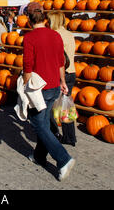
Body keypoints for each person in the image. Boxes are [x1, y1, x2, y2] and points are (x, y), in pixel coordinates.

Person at [23, 2, 75, 181]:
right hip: (54, 86)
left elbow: (27, 67)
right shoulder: (55, 35)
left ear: (29, 19)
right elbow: (61, 62)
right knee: (44, 124)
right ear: (44, 17)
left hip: (39, 88)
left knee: (39, 125)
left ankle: (63, 159)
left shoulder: (29, 38)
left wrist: (25, 88)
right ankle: (38, 156)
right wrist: (62, 82)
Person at [47, 11, 77, 146]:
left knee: (50, 105)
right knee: (65, 106)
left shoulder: (55, 35)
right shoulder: (69, 34)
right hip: (72, 72)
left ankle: (54, 133)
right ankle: (70, 137)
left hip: (61, 74)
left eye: (48, 20)